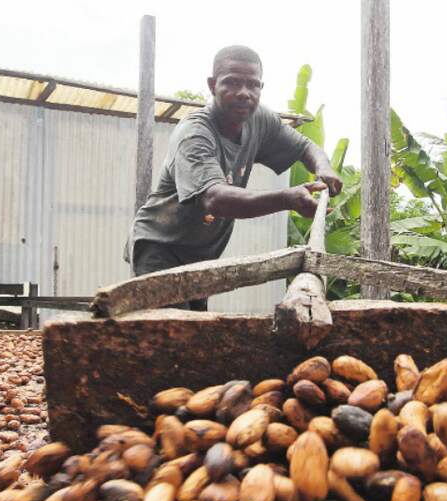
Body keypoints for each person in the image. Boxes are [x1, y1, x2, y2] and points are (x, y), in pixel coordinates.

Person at [124, 45, 342, 310]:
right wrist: (288, 198)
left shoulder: (260, 120)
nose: (244, 93)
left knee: (194, 334)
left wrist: (324, 167)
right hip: (161, 247)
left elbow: (305, 146)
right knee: (171, 336)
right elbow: (215, 198)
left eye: (253, 85)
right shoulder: (195, 134)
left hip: (201, 254)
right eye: (232, 83)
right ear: (213, 85)